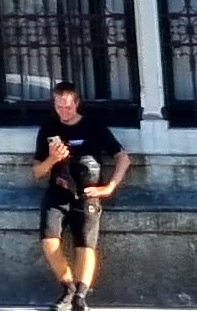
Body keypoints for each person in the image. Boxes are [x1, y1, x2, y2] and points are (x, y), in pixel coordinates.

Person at [29, 81, 129, 311]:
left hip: (88, 192)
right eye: (58, 107)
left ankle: (81, 296)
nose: (63, 112)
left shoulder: (94, 127)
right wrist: (52, 159)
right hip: (58, 191)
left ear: (77, 104)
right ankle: (68, 287)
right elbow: (37, 171)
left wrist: (109, 187)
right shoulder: (48, 129)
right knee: (49, 240)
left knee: (85, 244)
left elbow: (123, 157)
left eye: (67, 107)